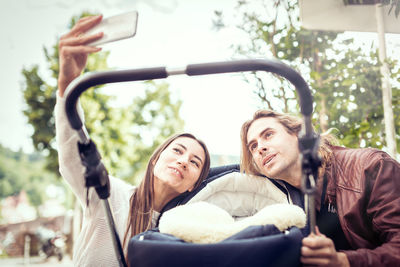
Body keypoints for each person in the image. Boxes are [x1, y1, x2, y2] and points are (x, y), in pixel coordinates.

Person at [55, 15, 211, 266]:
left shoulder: (185, 230)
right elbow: (72, 154)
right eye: (178, 151)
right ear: (155, 159)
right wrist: (67, 86)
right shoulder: (108, 195)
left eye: (195, 162)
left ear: (194, 184)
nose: (183, 161)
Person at [240, 109, 400, 267]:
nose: (260, 148)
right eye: (253, 146)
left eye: (268, 135)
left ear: (299, 135)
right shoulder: (277, 199)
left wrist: (344, 261)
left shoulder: (371, 166)